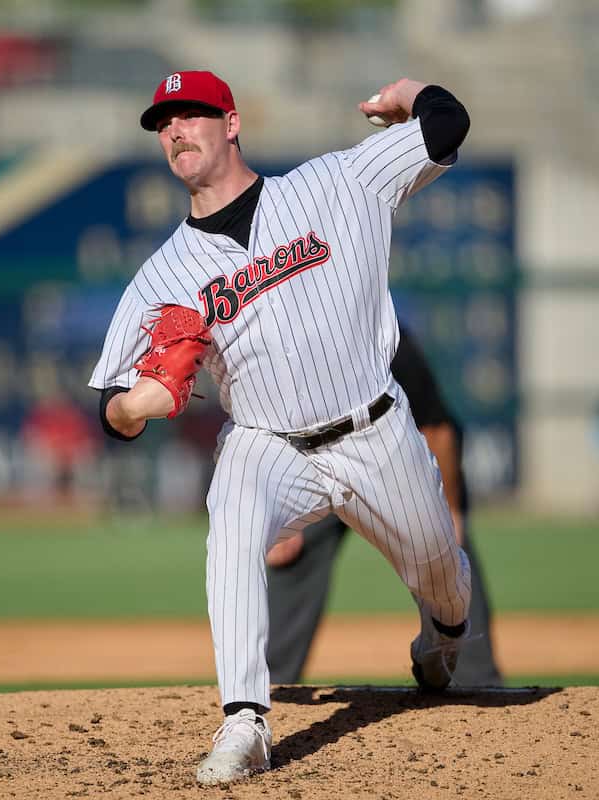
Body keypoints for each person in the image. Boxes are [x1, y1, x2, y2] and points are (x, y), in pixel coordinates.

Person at [89, 70, 472, 785]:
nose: (176, 130)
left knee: (444, 580)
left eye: (193, 114)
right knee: (230, 520)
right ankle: (245, 722)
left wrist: (412, 92)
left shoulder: (335, 183)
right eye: (164, 123)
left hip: (375, 430)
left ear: (231, 123)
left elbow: (448, 126)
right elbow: (111, 408)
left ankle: (441, 639)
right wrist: (134, 407)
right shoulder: (163, 275)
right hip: (268, 443)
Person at [265, 323, 502, 687]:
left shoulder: (385, 339)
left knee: (449, 556)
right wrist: (276, 514)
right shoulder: (286, 349)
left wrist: (451, 515)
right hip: (319, 464)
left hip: (399, 463)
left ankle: (473, 678)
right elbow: (258, 429)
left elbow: (436, 430)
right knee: (290, 550)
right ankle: (271, 684)